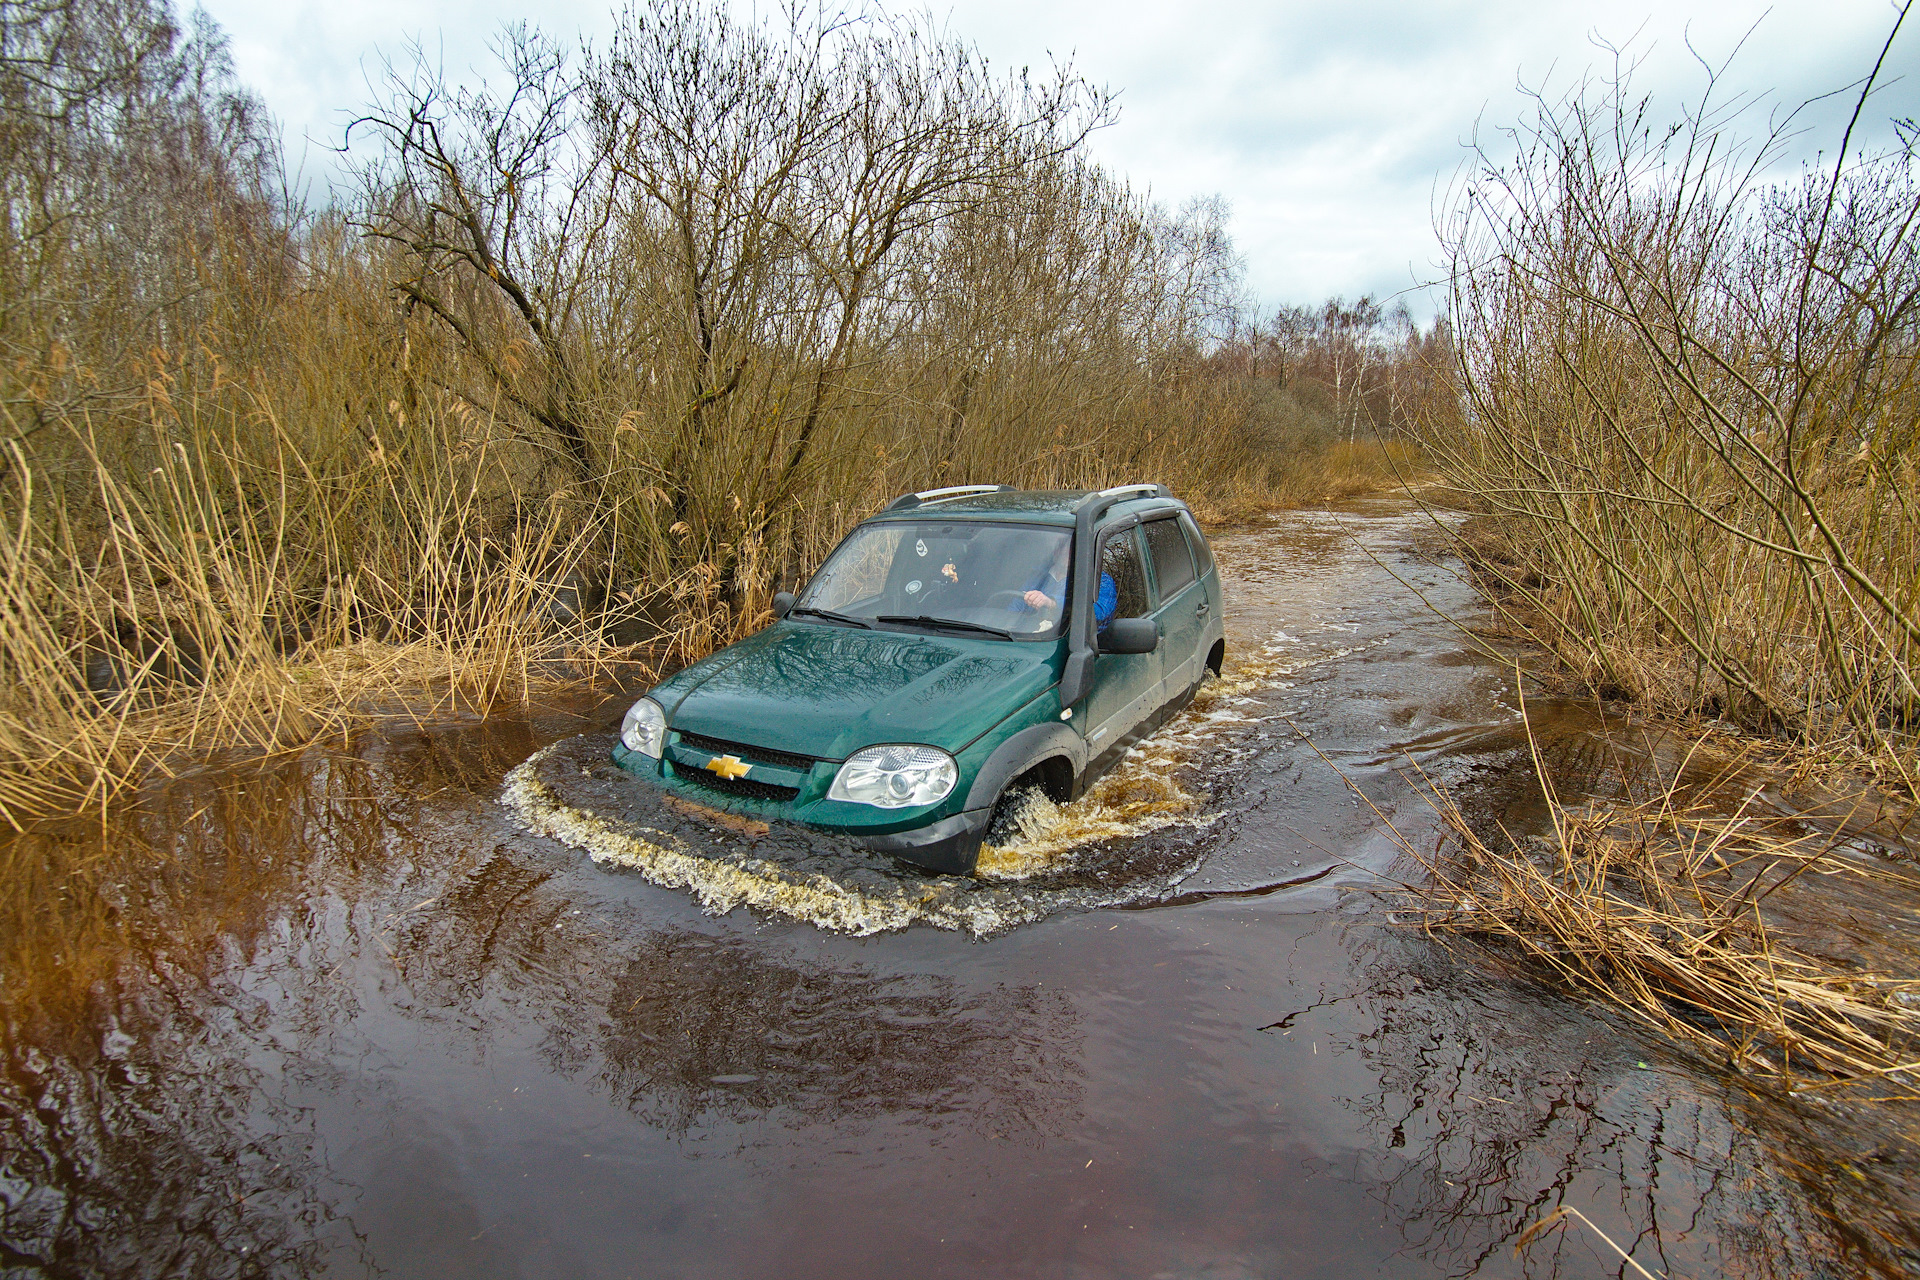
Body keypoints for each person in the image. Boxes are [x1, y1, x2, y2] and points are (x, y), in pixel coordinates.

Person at [1013, 541, 1116, 629]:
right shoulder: (1038, 577)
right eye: (1067, 550)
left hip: (1072, 645)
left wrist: (1052, 603)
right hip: (1025, 639)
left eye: (1075, 550)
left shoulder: (1099, 580)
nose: (1073, 555)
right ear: (1056, 553)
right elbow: (1015, 608)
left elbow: (1098, 612)